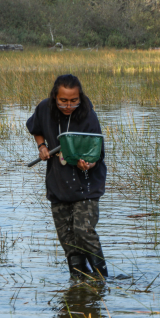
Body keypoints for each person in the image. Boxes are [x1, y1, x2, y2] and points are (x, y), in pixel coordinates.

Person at [26, 74, 108, 279]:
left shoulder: (88, 115)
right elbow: (35, 128)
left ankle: (102, 279)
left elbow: (97, 154)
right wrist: (42, 146)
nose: (68, 105)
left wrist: (88, 164)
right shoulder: (44, 108)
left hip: (86, 184)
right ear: (55, 97)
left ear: (80, 97)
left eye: (74, 100)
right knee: (68, 240)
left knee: (83, 231)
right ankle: (78, 283)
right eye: (63, 100)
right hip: (58, 183)